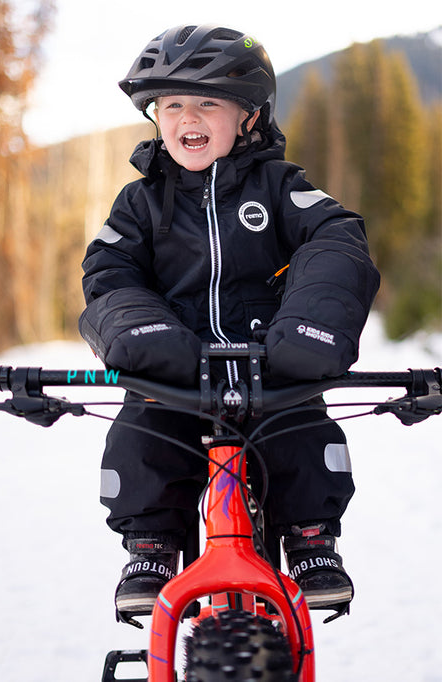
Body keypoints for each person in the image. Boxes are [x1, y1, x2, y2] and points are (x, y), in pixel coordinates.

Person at [78, 25, 380, 623]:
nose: (186, 117)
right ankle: (151, 547)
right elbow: (109, 272)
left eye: (207, 102)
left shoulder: (281, 188)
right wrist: (146, 337)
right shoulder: (140, 204)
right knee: (144, 431)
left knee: (298, 426)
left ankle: (313, 540)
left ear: (248, 115)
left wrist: (307, 331)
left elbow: (336, 240)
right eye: (170, 105)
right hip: (177, 373)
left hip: (272, 366)